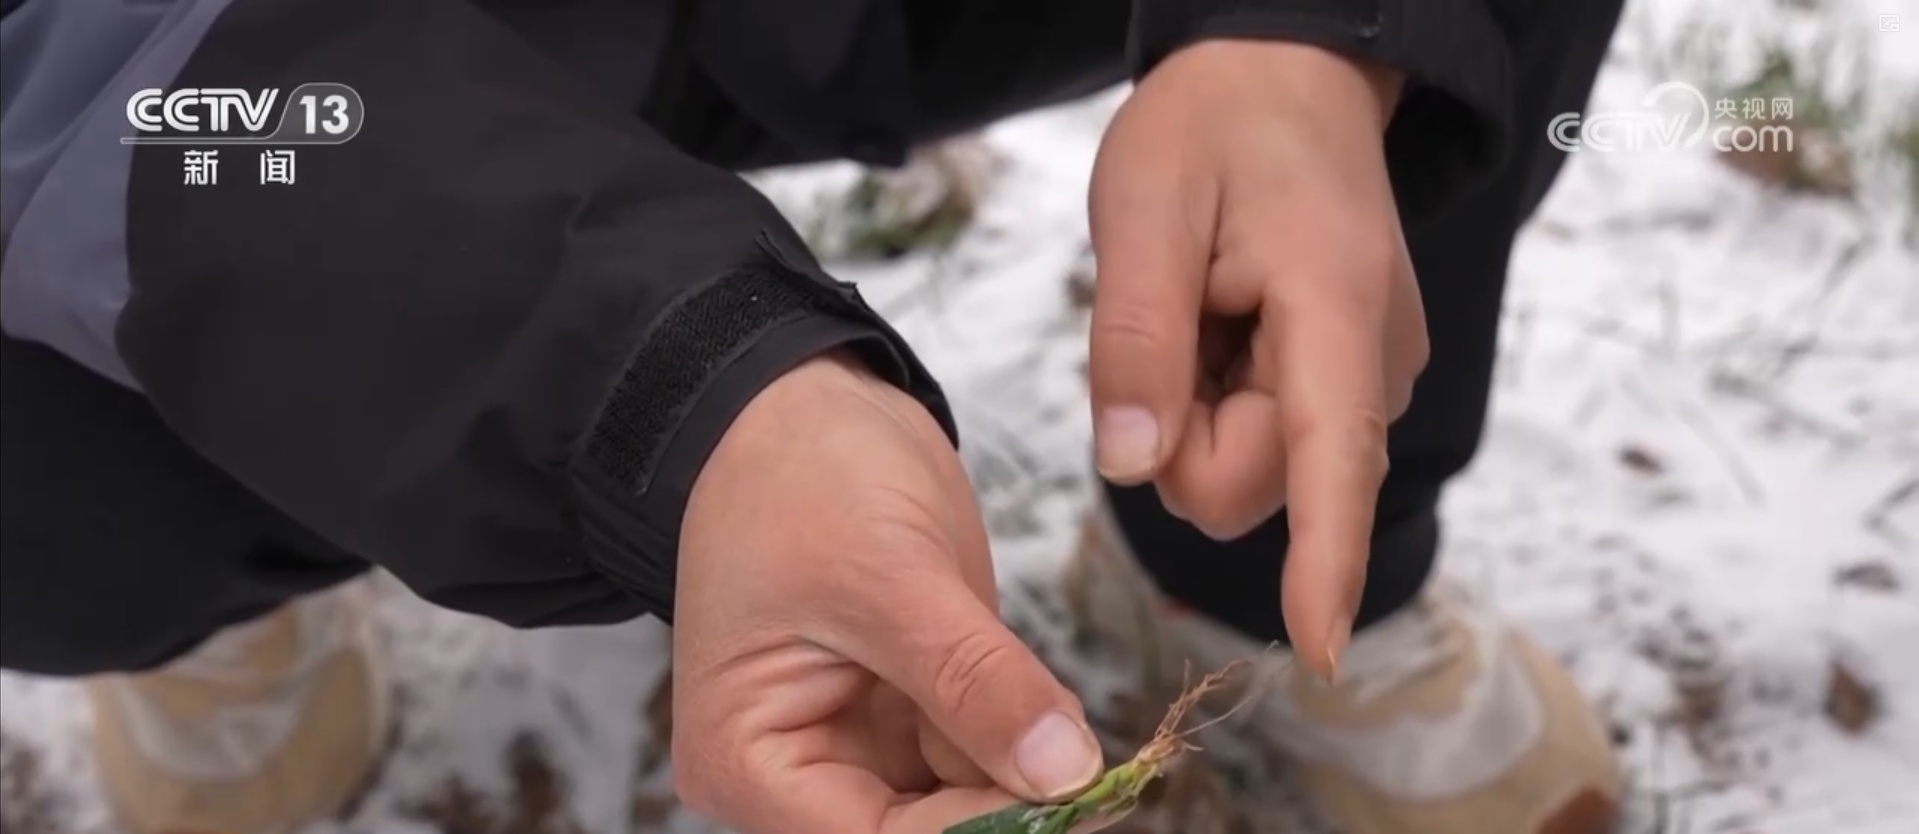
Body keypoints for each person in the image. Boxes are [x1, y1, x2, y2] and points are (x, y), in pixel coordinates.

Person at [0, 0, 1629, 831]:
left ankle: (1233, 555)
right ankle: (230, 491)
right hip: (229, 83)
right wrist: (684, 390)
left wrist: (1309, 30)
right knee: (55, 442)